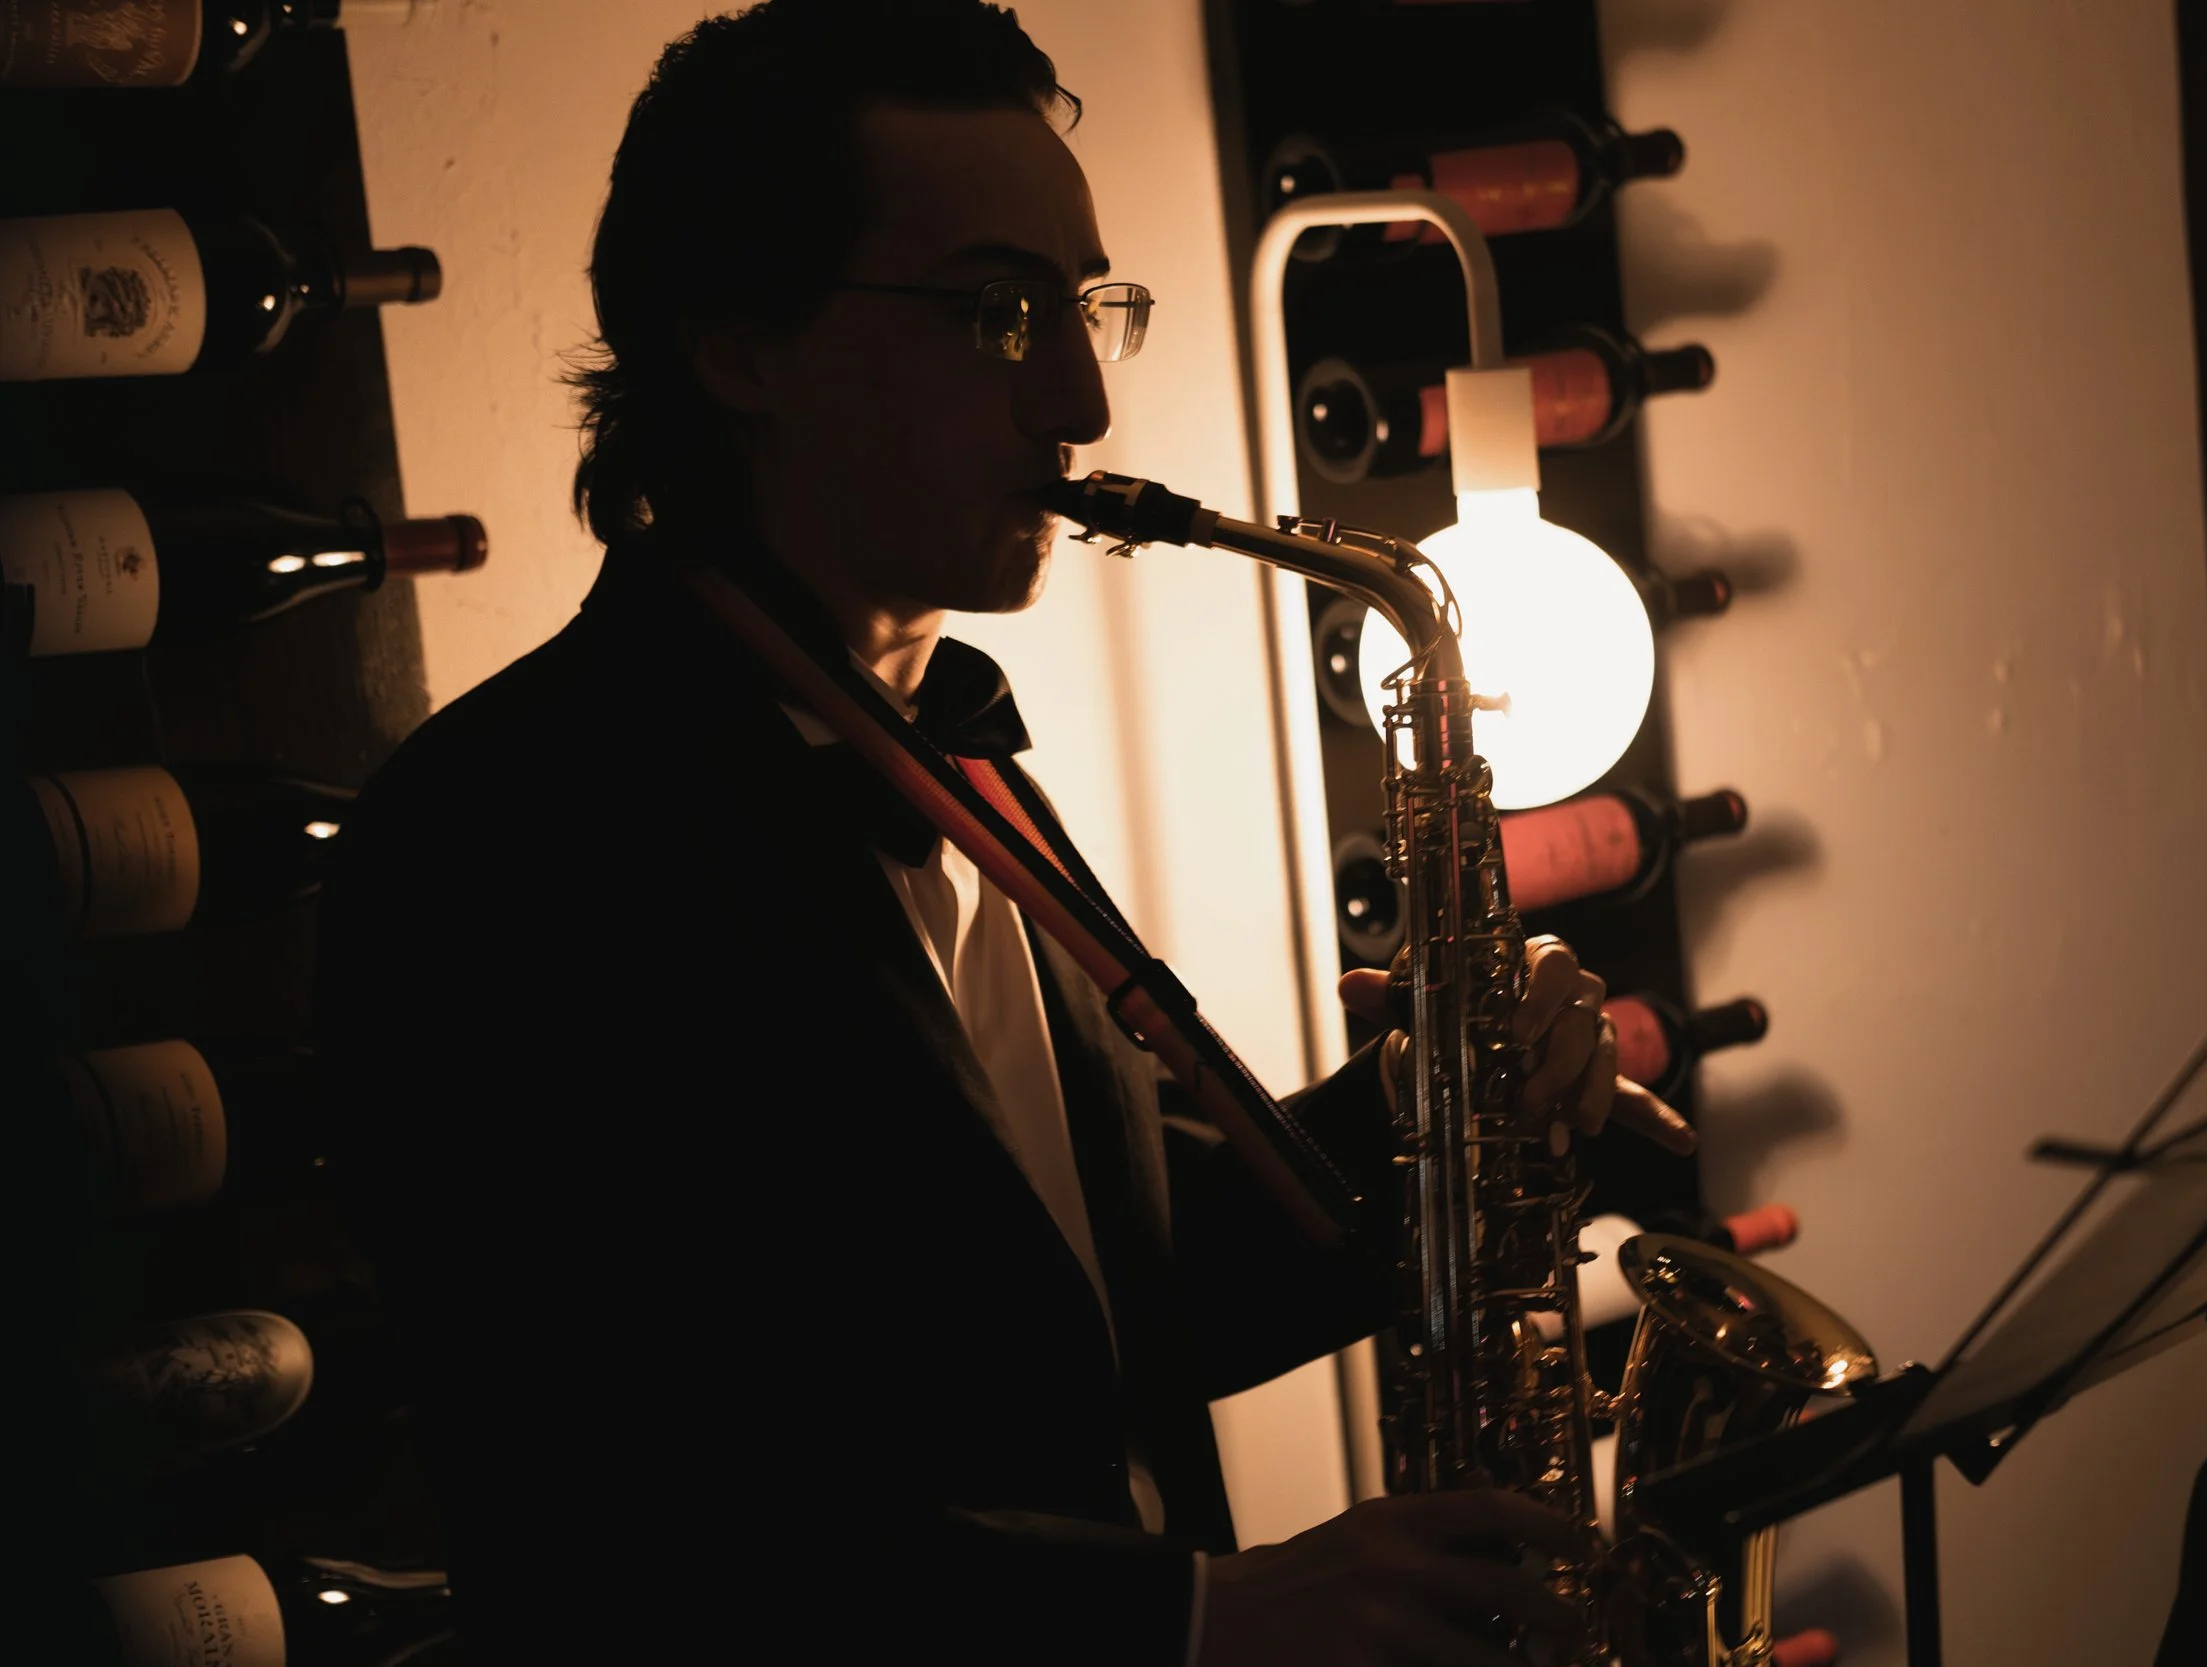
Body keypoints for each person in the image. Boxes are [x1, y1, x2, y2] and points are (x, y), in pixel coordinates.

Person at [316, 4, 1689, 1662]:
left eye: (1086, 305)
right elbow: (616, 1541)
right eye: (998, 313)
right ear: (740, 345)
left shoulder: (962, 768)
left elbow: (1087, 1313)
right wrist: (1191, 1616)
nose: (1082, 399)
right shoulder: (495, 843)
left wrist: (1431, 1109)